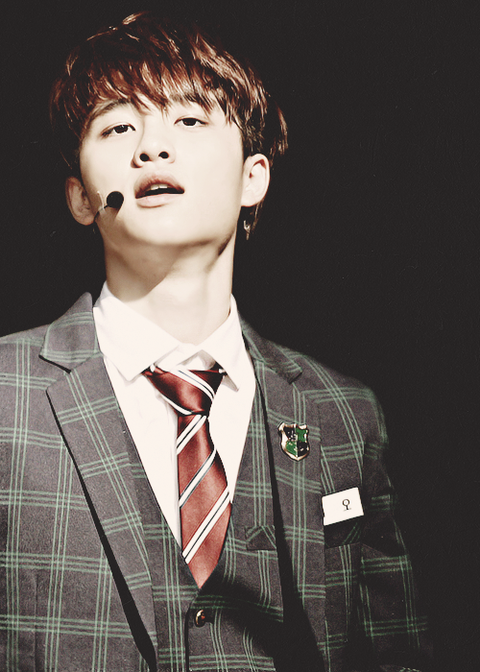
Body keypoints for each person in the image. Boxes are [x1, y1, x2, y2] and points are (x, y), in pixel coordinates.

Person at [0, 11, 430, 672]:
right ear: (81, 197)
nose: (152, 147)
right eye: (118, 127)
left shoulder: (344, 414)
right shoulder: (8, 393)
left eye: (189, 120)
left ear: (253, 177)